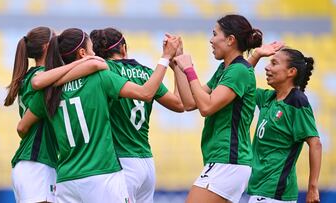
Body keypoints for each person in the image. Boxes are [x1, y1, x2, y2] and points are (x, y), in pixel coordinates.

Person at [17, 28, 179, 203]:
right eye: (92, 49)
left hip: (66, 178)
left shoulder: (47, 91)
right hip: (101, 174)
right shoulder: (99, 78)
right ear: (83, 53)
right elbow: (146, 93)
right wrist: (165, 57)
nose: (95, 54)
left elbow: (22, 127)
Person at [173, 14, 263, 203]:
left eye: (215, 34)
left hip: (229, 160)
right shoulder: (225, 69)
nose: (211, 40)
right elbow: (189, 103)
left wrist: (189, 70)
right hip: (225, 161)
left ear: (230, 40)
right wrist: (178, 63)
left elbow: (206, 107)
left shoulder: (238, 70)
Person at [89, 27, 184, 203]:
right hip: (146, 163)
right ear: (124, 48)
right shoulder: (148, 73)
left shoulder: (104, 71)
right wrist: (175, 64)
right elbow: (180, 104)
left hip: (121, 162)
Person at [246, 47, 322, 203]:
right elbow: (238, 81)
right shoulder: (268, 98)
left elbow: (315, 144)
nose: (267, 67)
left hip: (276, 191)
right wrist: (256, 55)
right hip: (260, 188)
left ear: (291, 72)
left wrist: (313, 188)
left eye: (274, 63)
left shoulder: (297, 102)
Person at [4, 26, 58, 203]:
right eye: (56, 40)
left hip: (33, 163)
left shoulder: (29, 76)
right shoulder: (43, 78)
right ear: (47, 46)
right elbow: (22, 126)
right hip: (36, 163)